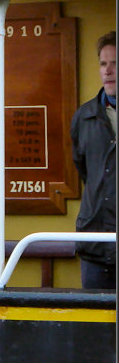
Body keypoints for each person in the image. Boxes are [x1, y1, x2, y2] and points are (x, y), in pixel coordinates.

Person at [70, 30, 116, 290]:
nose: (108, 71)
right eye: (103, 63)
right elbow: (85, 170)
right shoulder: (83, 117)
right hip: (95, 245)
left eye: (115, 63)